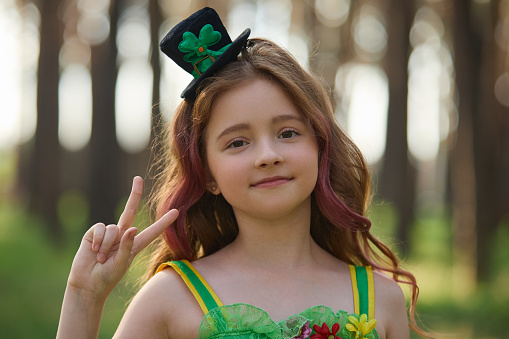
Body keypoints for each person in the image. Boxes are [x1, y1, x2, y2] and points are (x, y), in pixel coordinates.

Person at [57, 7, 428, 339]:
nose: (267, 155)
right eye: (237, 143)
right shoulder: (171, 298)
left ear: (320, 148)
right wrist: (83, 298)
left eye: (287, 133)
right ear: (208, 174)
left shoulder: (381, 300)